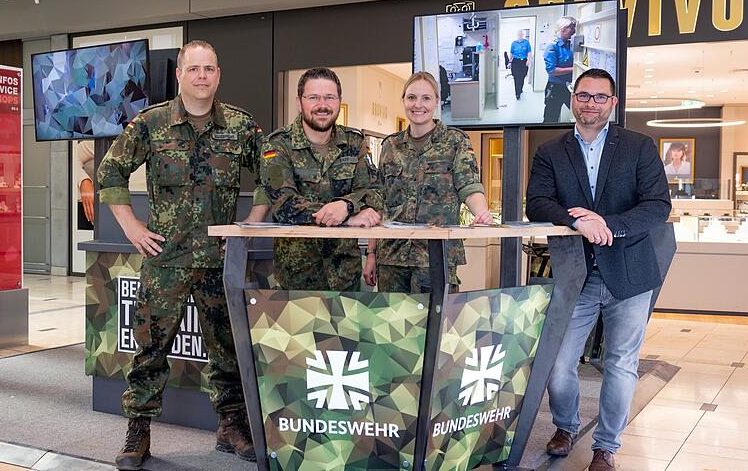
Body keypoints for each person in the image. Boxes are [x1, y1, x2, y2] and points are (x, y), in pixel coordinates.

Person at [97, 40, 269, 470]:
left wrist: (248, 225)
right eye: (194, 69)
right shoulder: (151, 123)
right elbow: (110, 171)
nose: (202, 76)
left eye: (209, 68)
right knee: (150, 350)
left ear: (219, 74)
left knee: (228, 349)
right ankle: (138, 432)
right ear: (179, 75)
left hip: (219, 262)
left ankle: (231, 425)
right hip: (166, 261)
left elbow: (272, 176)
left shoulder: (241, 126)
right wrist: (131, 226)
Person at [525, 68, 671, 471]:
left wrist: (608, 224)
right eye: (583, 95)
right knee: (559, 363)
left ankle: (605, 447)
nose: (591, 103)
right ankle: (566, 426)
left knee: (621, 364)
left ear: (613, 103)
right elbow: (537, 203)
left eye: (600, 97)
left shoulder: (639, 146)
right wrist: (577, 221)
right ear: (573, 99)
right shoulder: (550, 151)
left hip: (631, 273)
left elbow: (658, 205)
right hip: (577, 274)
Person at [362, 71, 492, 293]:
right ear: (403, 100)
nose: (418, 105)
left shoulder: (455, 141)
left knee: (438, 316)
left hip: (435, 257)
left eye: (426, 98)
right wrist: (371, 253)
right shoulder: (390, 146)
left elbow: (469, 186)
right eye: (411, 97)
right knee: (392, 316)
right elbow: (378, 203)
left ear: (437, 101)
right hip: (392, 257)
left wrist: (482, 214)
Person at [261, 67, 383, 291]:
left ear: (339, 101)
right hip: (297, 279)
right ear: (299, 102)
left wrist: (346, 206)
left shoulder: (354, 142)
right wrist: (345, 218)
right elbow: (284, 205)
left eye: (329, 97)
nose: (322, 105)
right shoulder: (277, 145)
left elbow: (375, 193)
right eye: (313, 97)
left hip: (345, 277)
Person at [543, 16, 577, 123]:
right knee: (550, 119)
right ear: (563, 29)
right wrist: (573, 69)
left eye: (574, 28)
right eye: (571, 28)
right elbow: (551, 71)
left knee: (578, 114)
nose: (574, 31)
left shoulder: (571, 45)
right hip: (555, 88)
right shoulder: (553, 47)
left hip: (570, 87)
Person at [510, 30, 532, 100]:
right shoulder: (514, 43)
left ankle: (520, 88)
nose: (520, 35)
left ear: (523, 35)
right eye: (519, 34)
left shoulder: (526, 42)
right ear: (517, 35)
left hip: (524, 61)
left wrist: (528, 60)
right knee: (516, 77)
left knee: (522, 76)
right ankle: (517, 93)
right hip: (516, 61)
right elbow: (511, 53)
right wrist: (510, 61)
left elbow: (529, 52)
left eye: (521, 34)